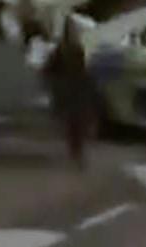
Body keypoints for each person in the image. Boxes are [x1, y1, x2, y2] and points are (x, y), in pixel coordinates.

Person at [43, 13, 94, 169]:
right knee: (75, 124)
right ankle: (76, 154)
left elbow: (82, 70)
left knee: (76, 124)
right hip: (71, 90)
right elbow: (49, 69)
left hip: (75, 89)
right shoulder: (66, 48)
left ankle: (77, 153)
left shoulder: (74, 48)